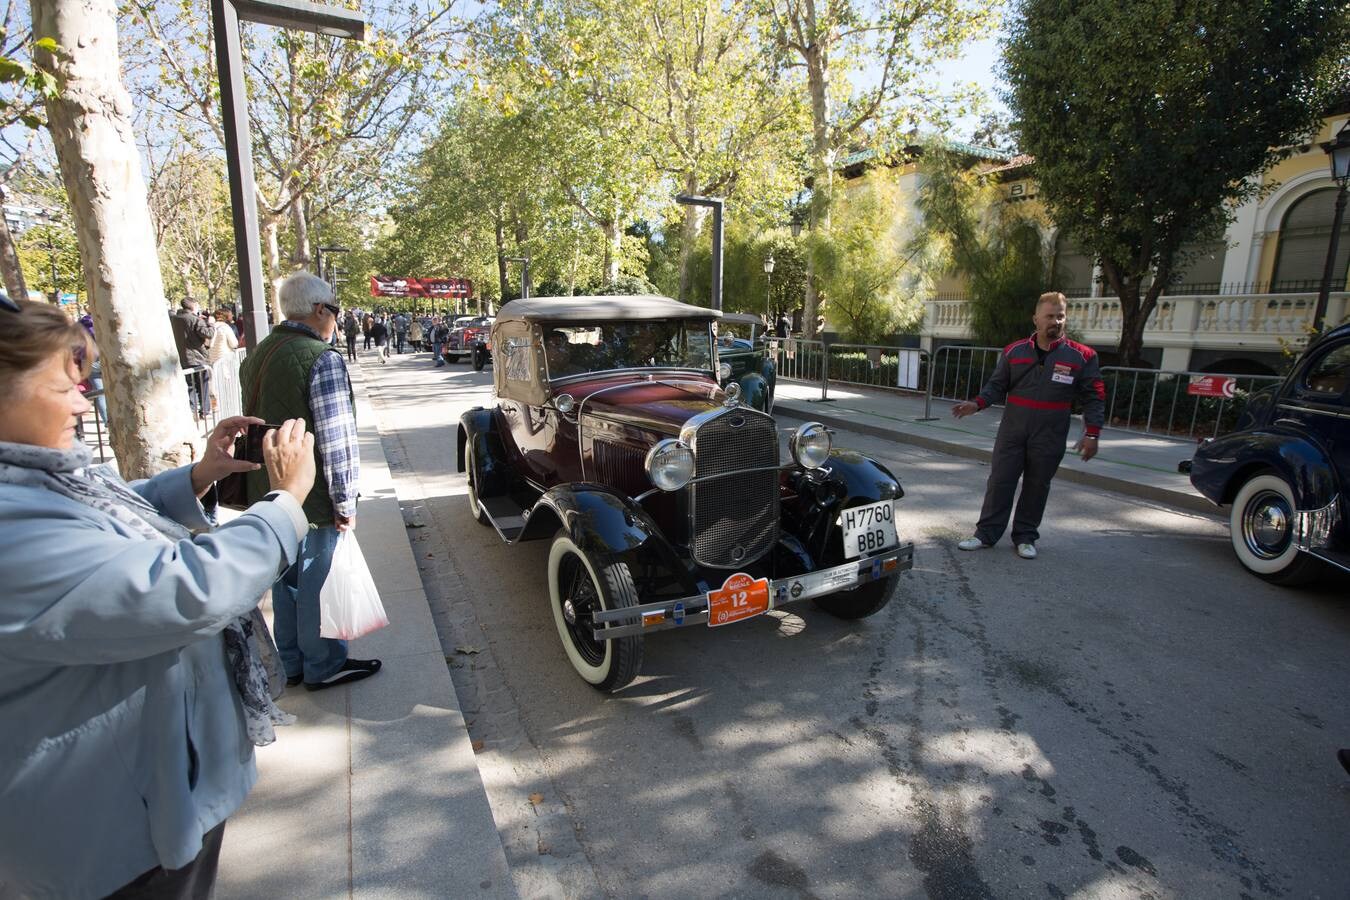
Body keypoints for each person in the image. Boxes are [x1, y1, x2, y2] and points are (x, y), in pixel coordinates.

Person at [0, 295, 318, 898]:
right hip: (108, 830)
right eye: (59, 384)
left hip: (139, 788)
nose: (81, 399)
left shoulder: (33, 477)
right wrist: (286, 502)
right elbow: (183, 590)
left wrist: (201, 475)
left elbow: (110, 515)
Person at [240, 272, 382, 690]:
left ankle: (291, 660)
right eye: (335, 310)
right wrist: (345, 502)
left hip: (268, 486)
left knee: (287, 578)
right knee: (317, 576)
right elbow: (336, 438)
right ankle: (323, 663)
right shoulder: (322, 357)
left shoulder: (261, 352)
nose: (337, 318)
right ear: (320, 310)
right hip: (310, 490)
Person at [950, 291, 1105, 559]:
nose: (1055, 321)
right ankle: (985, 534)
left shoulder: (1082, 356)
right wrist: (977, 404)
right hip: (1013, 430)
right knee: (1000, 481)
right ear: (1036, 319)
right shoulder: (1014, 351)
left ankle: (1025, 536)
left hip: (1050, 433)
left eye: (1060, 316)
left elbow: (1095, 397)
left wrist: (1092, 433)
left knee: (1037, 485)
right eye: (1049, 316)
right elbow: (996, 386)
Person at [170, 297, 213, 420]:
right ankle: (205, 411)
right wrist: (210, 324)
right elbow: (208, 334)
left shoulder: (175, 320)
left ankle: (192, 410)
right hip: (197, 357)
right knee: (202, 385)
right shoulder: (195, 320)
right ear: (193, 306)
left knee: (190, 386)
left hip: (183, 357)